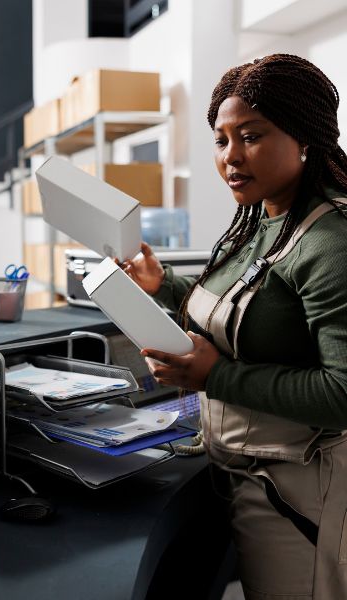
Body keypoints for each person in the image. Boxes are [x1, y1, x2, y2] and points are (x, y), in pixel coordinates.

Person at [121, 54, 347, 599]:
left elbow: (343, 394)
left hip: (296, 490)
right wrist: (164, 286)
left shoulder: (332, 242)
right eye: (221, 140)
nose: (230, 157)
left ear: (306, 138)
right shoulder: (259, 221)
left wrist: (214, 376)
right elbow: (247, 317)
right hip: (233, 466)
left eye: (251, 135)